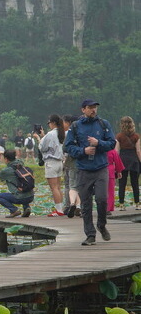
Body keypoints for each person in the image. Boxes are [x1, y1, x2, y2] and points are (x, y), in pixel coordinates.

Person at [63, 99, 116, 246]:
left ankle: (101, 225)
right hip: (83, 170)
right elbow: (67, 147)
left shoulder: (103, 124)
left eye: (95, 107)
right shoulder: (75, 126)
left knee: (102, 199)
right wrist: (83, 151)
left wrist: (99, 143)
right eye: (90, 107)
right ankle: (90, 235)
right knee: (85, 204)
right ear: (83, 110)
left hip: (101, 168)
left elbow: (112, 143)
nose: (93, 110)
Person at [33, 114, 65, 216]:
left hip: (51, 162)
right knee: (58, 187)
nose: (49, 125)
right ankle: (61, 209)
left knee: (53, 188)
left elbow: (42, 147)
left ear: (53, 123)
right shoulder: (61, 133)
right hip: (59, 162)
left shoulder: (50, 134)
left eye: (49, 123)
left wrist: (39, 138)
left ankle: (58, 210)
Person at [0, 149, 34, 217]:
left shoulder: (7, 171)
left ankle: (14, 210)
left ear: (6, 159)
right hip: (31, 196)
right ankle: (27, 207)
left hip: (20, 198)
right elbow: (13, 156)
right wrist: (2, 152)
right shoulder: (20, 163)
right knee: (23, 185)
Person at [116, 116, 141, 210]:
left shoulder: (119, 136)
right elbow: (138, 151)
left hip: (122, 160)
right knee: (135, 183)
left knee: (122, 183)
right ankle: (137, 204)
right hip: (134, 160)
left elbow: (117, 151)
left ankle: (122, 205)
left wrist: (116, 163)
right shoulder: (136, 136)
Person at [62, 114, 81, 218]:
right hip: (86, 163)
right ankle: (79, 206)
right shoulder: (87, 132)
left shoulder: (71, 132)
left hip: (73, 162)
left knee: (72, 186)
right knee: (82, 186)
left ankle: (72, 204)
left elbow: (64, 148)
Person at [106, 149, 125, 213]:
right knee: (110, 192)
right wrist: (119, 171)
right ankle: (108, 208)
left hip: (98, 170)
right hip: (110, 171)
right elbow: (117, 161)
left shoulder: (98, 149)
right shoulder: (112, 150)